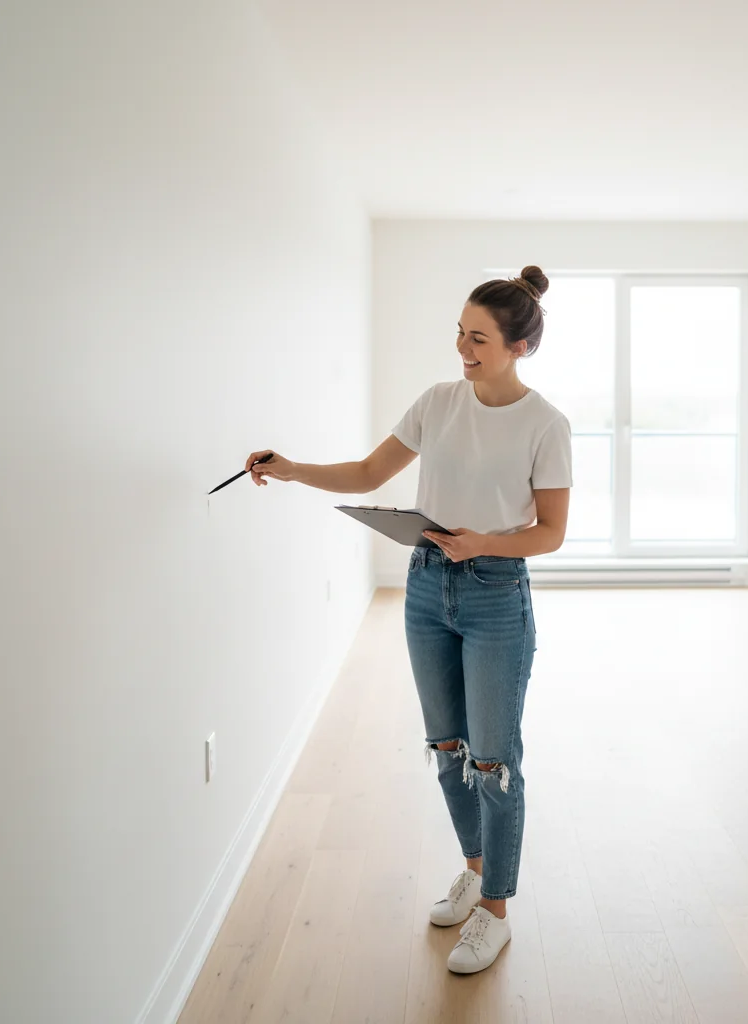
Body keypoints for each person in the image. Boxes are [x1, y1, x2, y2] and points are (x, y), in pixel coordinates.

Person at [245, 265, 573, 975]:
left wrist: (483, 541)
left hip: (495, 595)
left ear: (521, 347)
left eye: (479, 337)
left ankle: (496, 912)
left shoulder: (546, 423)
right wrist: (294, 468)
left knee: (494, 760)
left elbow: (550, 533)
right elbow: (369, 474)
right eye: (460, 333)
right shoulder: (437, 402)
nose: (464, 347)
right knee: (448, 748)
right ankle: (476, 871)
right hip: (427, 589)